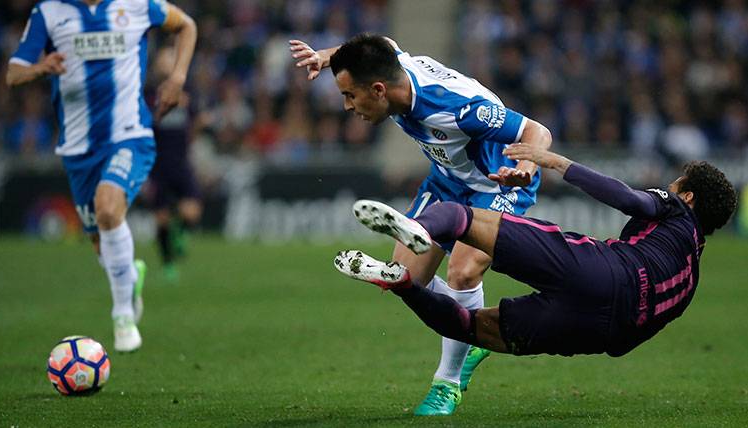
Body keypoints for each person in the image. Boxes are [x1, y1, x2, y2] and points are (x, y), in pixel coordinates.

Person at [291, 33, 552, 415]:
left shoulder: (457, 108)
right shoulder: (393, 67)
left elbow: (537, 131)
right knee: (407, 280)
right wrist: (327, 56)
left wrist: (525, 167)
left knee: (463, 270)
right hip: (448, 180)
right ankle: (475, 326)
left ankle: (447, 383)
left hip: (498, 183)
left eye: (350, 95)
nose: (347, 106)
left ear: (378, 90)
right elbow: (383, 41)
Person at [335, 144, 737, 364]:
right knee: (470, 328)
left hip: (603, 272)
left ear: (688, 196)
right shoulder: (690, 281)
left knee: (462, 217)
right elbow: (631, 340)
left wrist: (559, 163)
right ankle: (404, 283)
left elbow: (630, 200)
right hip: (602, 331)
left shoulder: (675, 208)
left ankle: (418, 234)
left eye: (676, 182)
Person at [6, 0, 197, 352]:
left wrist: (177, 77)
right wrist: (41, 68)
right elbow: (13, 73)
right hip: (78, 147)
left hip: (129, 135)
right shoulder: (48, 12)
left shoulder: (136, 5)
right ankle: (130, 276)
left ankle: (122, 315)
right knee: (100, 242)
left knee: (108, 208)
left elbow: (186, 25)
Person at [145, 47, 202, 282]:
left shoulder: (188, 93)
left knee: (192, 211)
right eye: (165, 58)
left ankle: (181, 234)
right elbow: (145, 124)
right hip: (158, 164)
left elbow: (196, 121)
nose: (168, 62)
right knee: (162, 218)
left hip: (181, 161)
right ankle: (168, 264)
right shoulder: (149, 95)